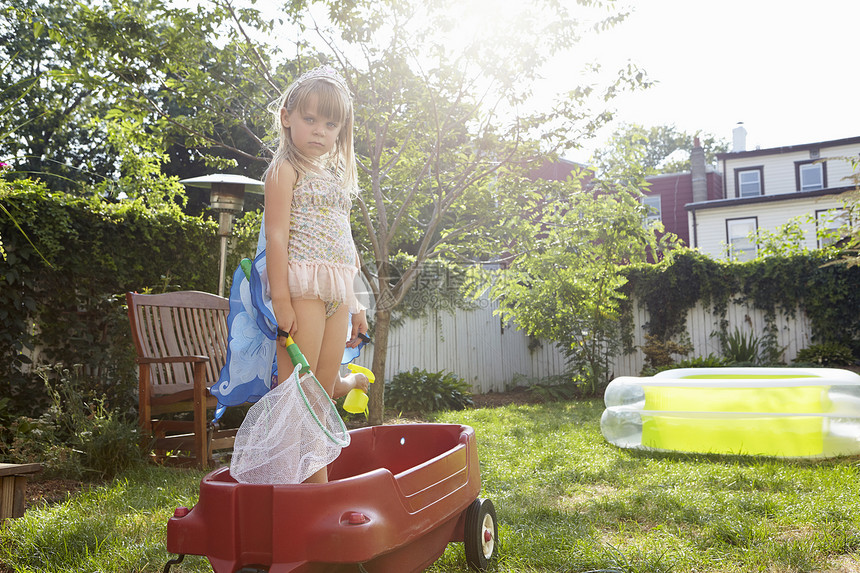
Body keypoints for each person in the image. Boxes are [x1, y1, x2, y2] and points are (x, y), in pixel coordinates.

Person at [263, 65, 369, 482]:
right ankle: (308, 494)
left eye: (331, 124)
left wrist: (357, 301)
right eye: (310, 119)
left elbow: (348, 245)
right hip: (303, 288)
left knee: (320, 393)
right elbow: (275, 236)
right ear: (287, 116)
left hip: (338, 289)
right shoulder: (285, 170)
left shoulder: (334, 177)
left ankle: (314, 490)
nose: (320, 131)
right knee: (300, 395)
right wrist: (282, 300)